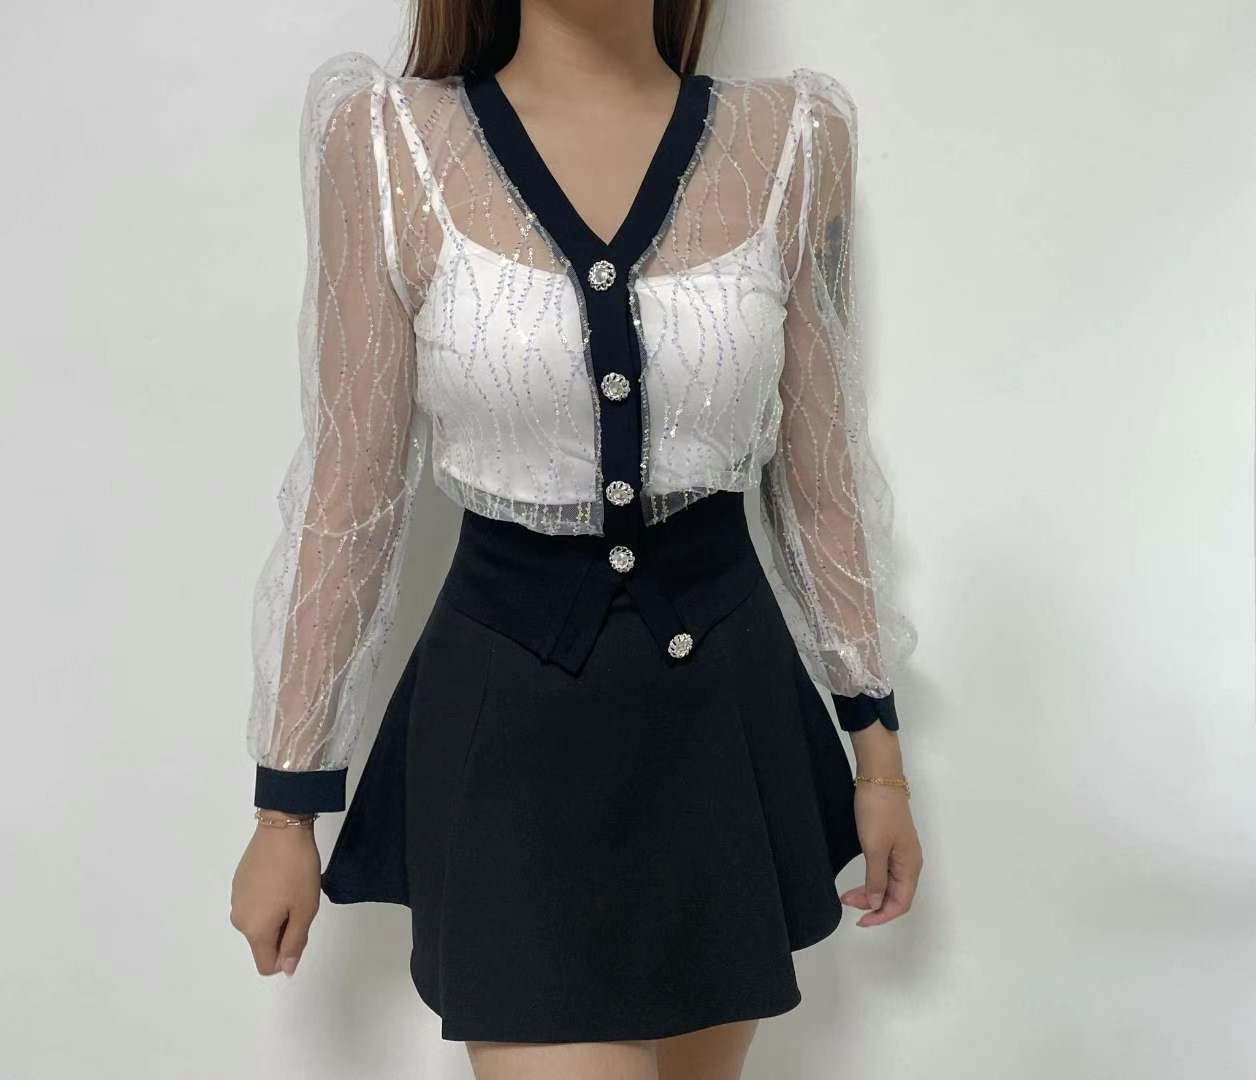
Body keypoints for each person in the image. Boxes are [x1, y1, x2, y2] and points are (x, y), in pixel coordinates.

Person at [230, 0, 923, 1076]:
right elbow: (348, 495)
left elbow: (822, 469)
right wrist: (287, 807)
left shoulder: (793, 141)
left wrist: (877, 757)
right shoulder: (387, 141)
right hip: (509, 737)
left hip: (719, 724)